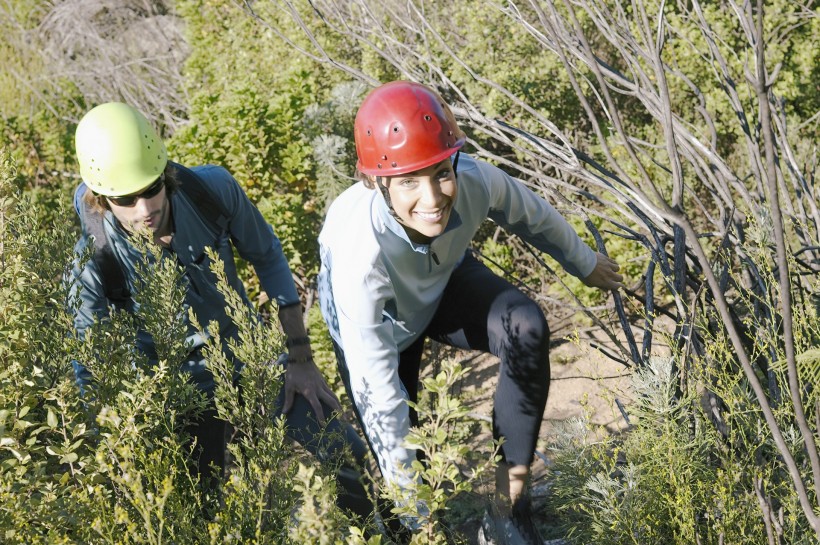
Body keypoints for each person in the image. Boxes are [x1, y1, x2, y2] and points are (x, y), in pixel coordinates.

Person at [317, 81, 624, 544]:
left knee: (524, 326)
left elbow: (533, 215)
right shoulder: (360, 264)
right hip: (381, 324)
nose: (433, 198)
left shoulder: (474, 181)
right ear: (377, 182)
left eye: (440, 172)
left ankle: (506, 510)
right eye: (408, 182)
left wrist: (584, 262)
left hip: (439, 283)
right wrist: (420, 519)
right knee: (405, 471)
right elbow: (381, 399)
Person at [67, 101, 372, 519]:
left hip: (248, 356)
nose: (145, 209)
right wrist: (115, 447)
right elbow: (87, 361)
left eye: (152, 187)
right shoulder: (92, 260)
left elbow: (266, 256)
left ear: (164, 170)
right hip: (177, 391)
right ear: (102, 197)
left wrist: (300, 357)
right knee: (202, 512)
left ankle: (395, 531)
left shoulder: (211, 191)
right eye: (125, 198)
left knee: (347, 456)